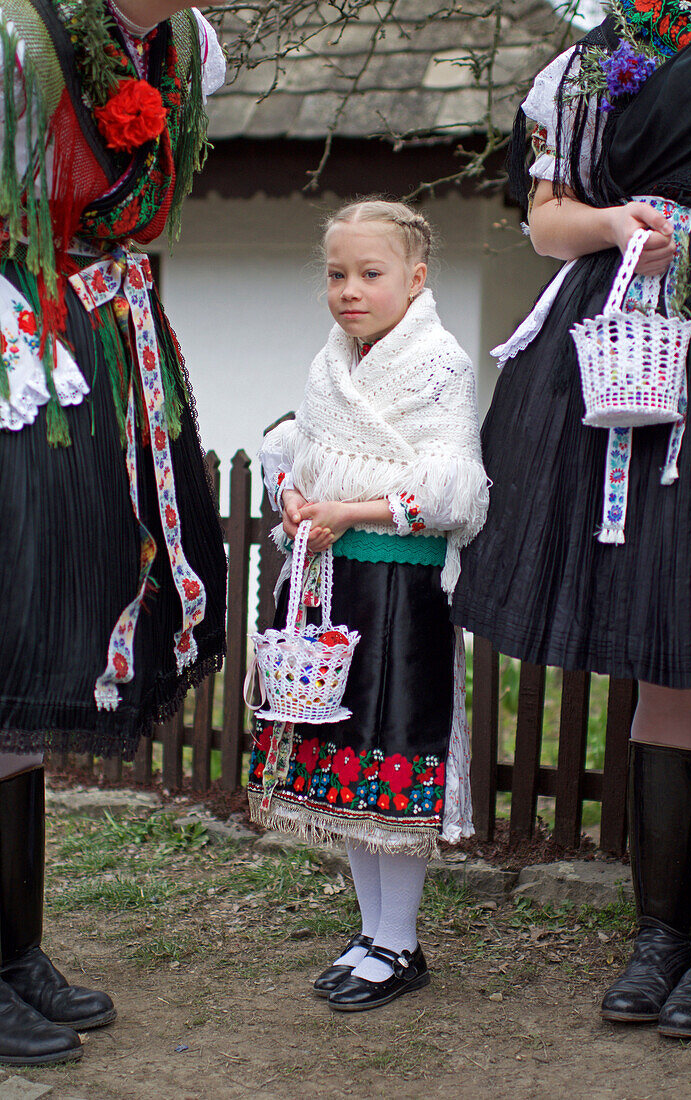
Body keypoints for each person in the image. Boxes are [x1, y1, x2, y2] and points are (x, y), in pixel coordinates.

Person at [451, 0, 691, 1040]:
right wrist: (620, 224)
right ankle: (660, 932)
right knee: (674, 634)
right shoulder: (595, 57)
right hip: (646, 340)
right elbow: (545, 219)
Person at [0, 0, 228, 1066]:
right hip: (20, 354)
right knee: (7, 640)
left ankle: (14, 953)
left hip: (104, 350)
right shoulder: (18, 35)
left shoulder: (183, 48)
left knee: (44, 654)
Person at [249, 198, 489, 1012]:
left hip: (400, 592)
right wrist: (293, 494)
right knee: (344, 759)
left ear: (415, 279)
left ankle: (400, 940)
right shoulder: (331, 363)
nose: (349, 289)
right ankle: (371, 932)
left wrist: (350, 511)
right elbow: (298, 448)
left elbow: (453, 486)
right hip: (332, 585)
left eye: (370, 273)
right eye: (336, 274)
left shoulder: (441, 365)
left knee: (393, 751)